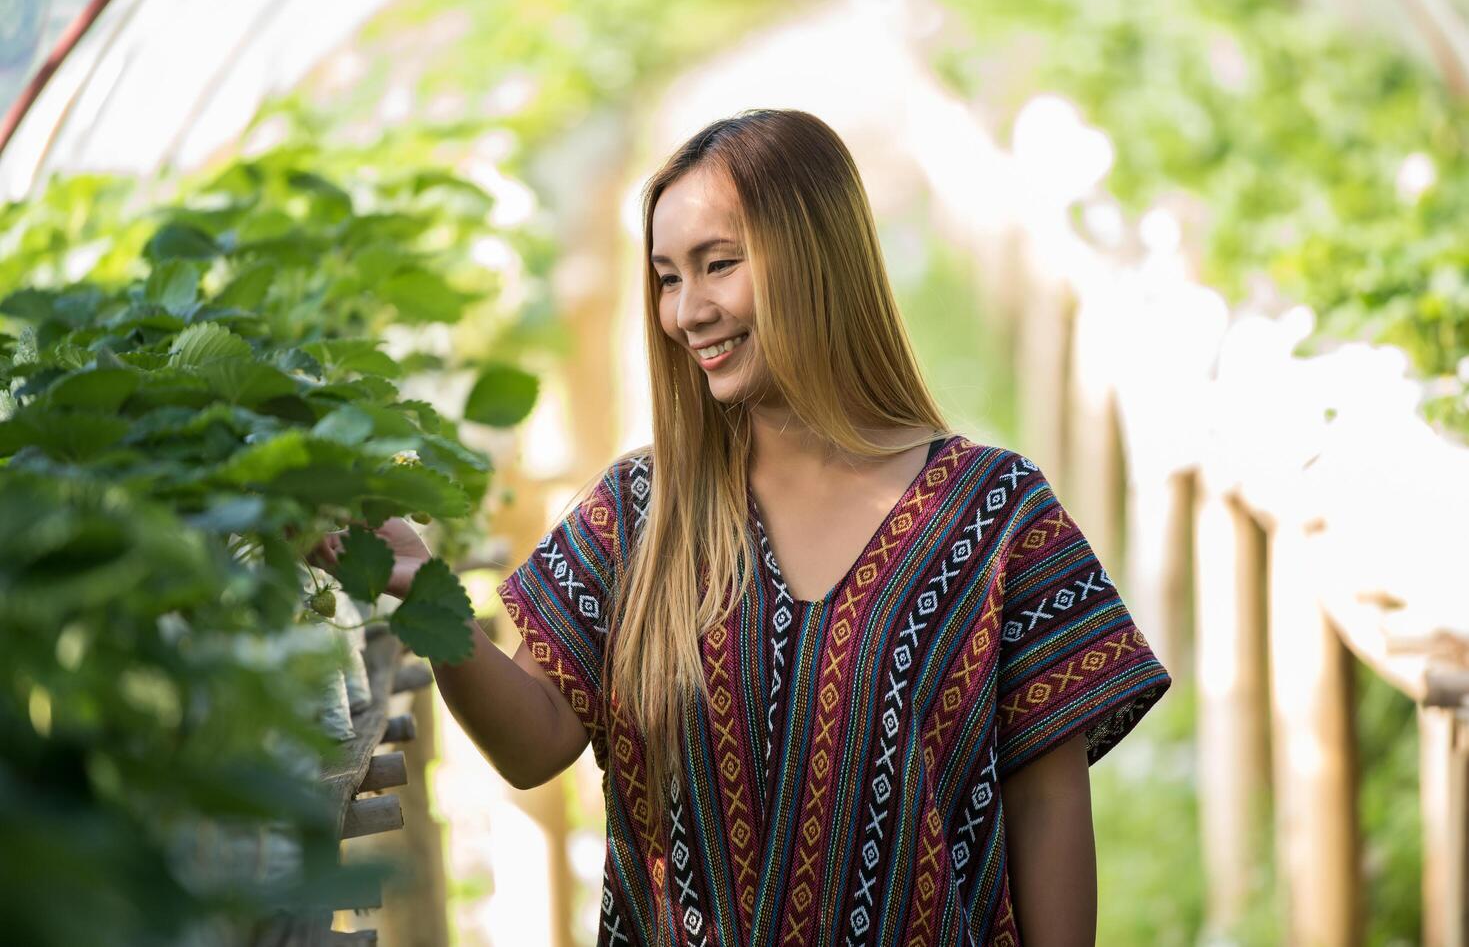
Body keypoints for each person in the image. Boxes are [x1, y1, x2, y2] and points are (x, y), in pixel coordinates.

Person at [313, 108, 1171, 946]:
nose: (687, 311)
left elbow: (1047, 804)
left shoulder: (994, 514)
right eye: (666, 277)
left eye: (717, 265)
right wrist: (427, 596)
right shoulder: (637, 513)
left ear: (816, 258)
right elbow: (534, 745)